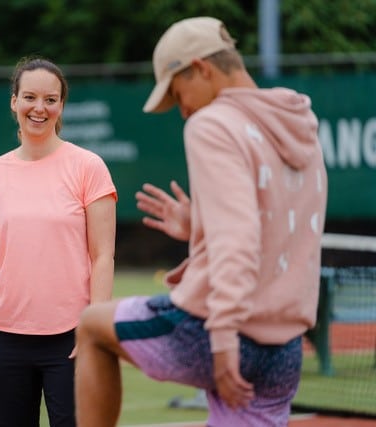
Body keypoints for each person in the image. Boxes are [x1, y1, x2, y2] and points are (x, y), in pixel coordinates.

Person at [74, 16, 328, 427]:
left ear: (202, 68)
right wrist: (201, 225)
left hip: (219, 332)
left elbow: (238, 239)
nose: (182, 109)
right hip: (284, 351)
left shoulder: (211, 124)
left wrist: (224, 337)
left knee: (92, 327)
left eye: (178, 92)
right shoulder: (300, 125)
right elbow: (283, 227)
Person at [0, 56, 117, 427]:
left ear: (61, 106)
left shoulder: (88, 167)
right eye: (29, 97)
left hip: (71, 340)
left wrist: (96, 330)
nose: (39, 108)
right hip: (2, 339)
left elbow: (103, 256)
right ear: (14, 101)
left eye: (50, 99)